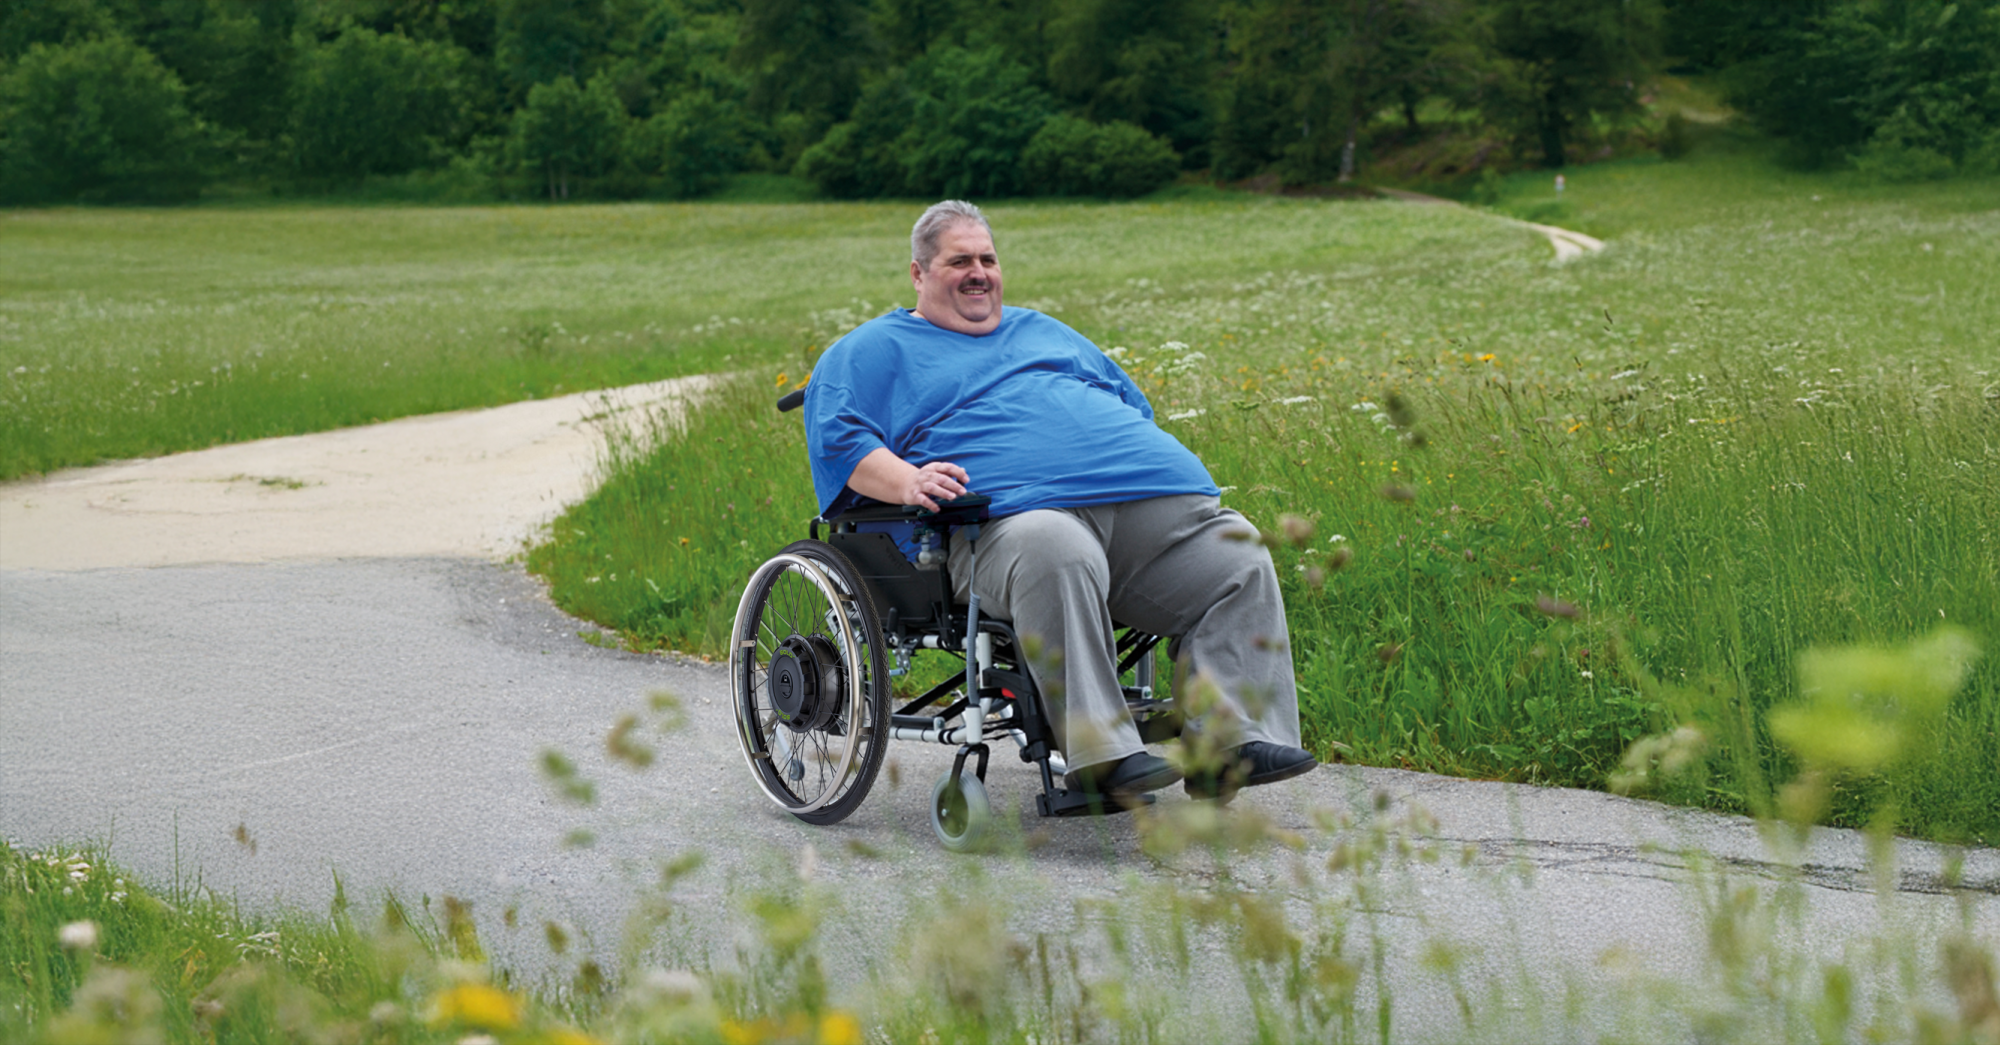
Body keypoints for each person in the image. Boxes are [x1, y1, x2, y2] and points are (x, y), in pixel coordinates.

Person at [801, 200, 1316, 804]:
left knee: (1238, 554)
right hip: (997, 526)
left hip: (1133, 513)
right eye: (958, 260)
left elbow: (1130, 408)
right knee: (1056, 545)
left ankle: (1229, 744)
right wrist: (908, 480)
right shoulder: (874, 348)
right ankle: (1101, 757)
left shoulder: (1043, 330)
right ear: (918, 273)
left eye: (988, 259)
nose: (978, 272)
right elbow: (841, 436)